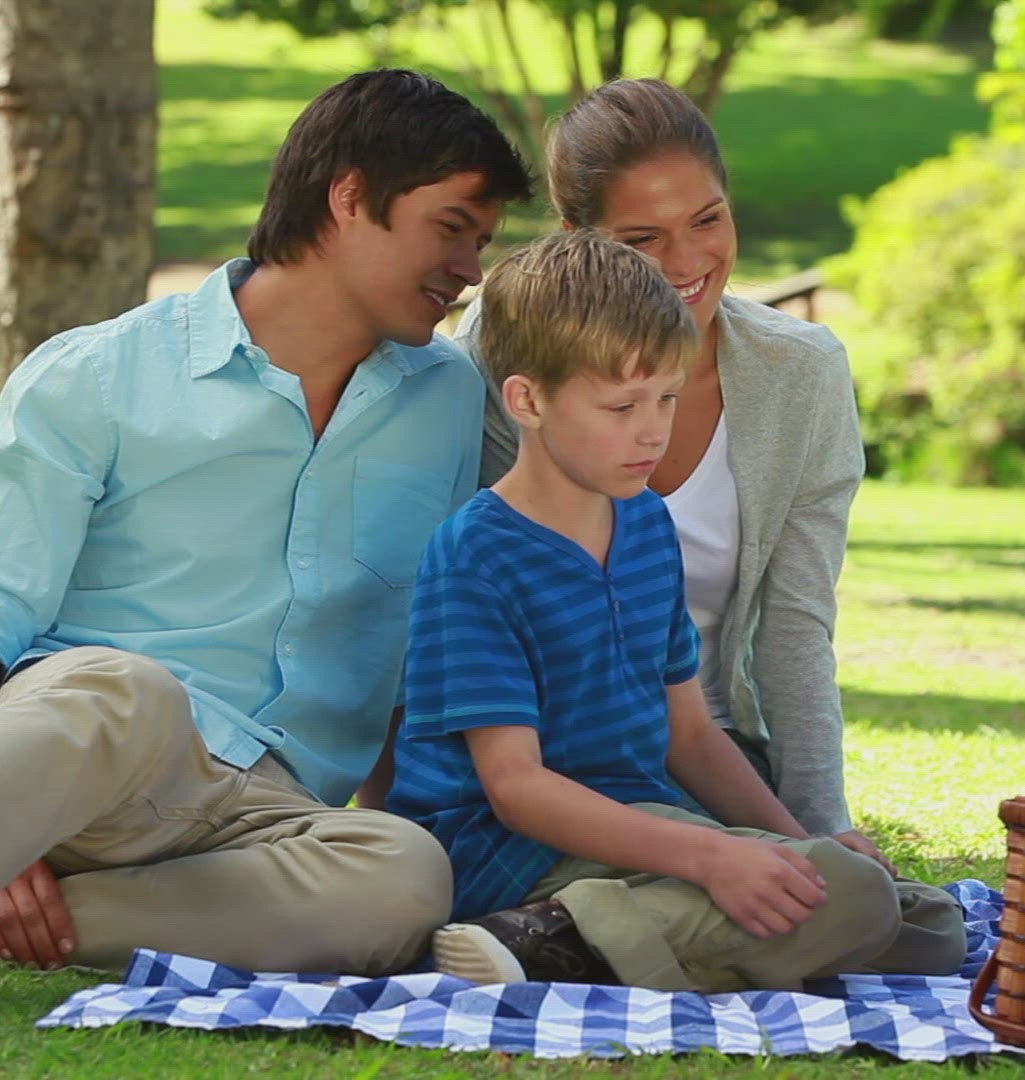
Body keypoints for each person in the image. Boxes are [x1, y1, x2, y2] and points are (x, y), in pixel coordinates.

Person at [0, 69, 533, 1042]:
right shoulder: (99, 374)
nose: (469, 269)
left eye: (481, 242)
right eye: (451, 229)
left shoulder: (450, 400)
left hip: (265, 817)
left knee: (404, 876)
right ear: (350, 196)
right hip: (83, 769)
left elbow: (431, 636)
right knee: (127, 688)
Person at [389, 230, 966, 991]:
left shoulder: (647, 524)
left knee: (926, 924)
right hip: (508, 853)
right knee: (850, 901)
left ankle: (583, 939)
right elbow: (516, 788)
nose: (653, 430)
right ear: (528, 400)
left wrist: (801, 842)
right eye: (622, 405)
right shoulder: (476, 552)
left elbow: (689, 735)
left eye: (667, 397)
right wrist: (711, 855)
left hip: (640, 828)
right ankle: (544, 936)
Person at [460, 78, 885, 867]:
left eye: (708, 219)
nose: (686, 263)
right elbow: (469, 578)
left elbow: (796, 625)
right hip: (550, 757)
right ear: (577, 241)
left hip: (711, 752)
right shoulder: (508, 344)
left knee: (880, 905)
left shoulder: (802, 372)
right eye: (643, 238)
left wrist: (822, 829)